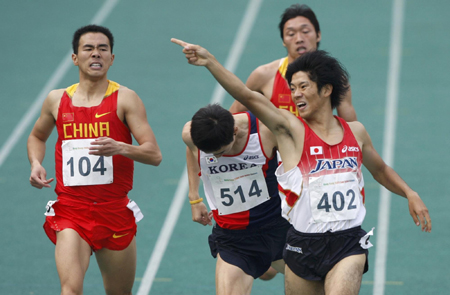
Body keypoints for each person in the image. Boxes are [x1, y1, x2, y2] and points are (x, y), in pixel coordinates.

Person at [172, 38, 432, 295]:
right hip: (301, 245)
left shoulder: (357, 133)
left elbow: (380, 170)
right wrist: (211, 63)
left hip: (348, 242)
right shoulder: (290, 132)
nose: (295, 94)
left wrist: (410, 193)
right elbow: (247, 96)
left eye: (303, 86)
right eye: (292, 88)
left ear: (327, 89)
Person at [27, 25, 162, 295]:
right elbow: (37, 137)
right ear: (75, 58)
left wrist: (121, 148)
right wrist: (35, 163)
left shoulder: (126, 99)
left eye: (103, 48)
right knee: (70, 290)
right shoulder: (56, 100)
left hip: (113, 211)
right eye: (88, 48)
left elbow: (154, 154)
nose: (96, 54)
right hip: (71, 210)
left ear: (112, 58)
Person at [182, 104, 291, 295]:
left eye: (222, 151)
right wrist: (194, 197)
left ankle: (267, 263)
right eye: (212, 154)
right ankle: (262, 263)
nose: (217, 157)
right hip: (235, 240)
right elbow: (192, 152)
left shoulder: (265, 131)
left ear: (235, 131)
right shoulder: (191, 135)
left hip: (281, 229)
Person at [229, 4, 357, 122]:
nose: (299, 39)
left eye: (305, 32)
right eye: (291, 34)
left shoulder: (335, 77)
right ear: (283, 41)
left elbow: (351, 129)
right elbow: (233, 116)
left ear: (318, 35)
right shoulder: (264, 75)